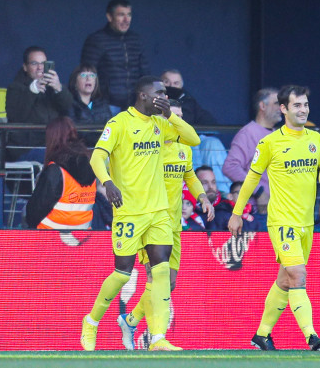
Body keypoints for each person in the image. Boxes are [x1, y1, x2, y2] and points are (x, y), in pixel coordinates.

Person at [228, 85, 320, 352]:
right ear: (283, 109)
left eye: (305, 105)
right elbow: (251, 179)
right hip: (282, 222)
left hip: (306, 223)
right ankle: (312, 337)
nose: (303, 110)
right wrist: (237, 213)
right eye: (297, 106)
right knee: (299, 276)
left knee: (285, 279)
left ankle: (262, 335)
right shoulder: (269, 143)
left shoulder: (315, 139)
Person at [80, 76, 202, 352]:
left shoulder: (162, 123)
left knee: (160, 273)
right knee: (122, 274)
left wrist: (171, 115)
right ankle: (91, 320)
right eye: (159, 93)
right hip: (129, 211)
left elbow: (192, 139)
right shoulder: (120, 123)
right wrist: (107, 182)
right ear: (143, 96)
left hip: (159, 212)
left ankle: (157, 338)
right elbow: (97, 157)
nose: (164, 97)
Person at [116, 94, 215, 350]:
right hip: (151, 222)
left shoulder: (184, 149)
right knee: (155, 278)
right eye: (172, 117)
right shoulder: (151, 150)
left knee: (169, 283)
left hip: (174, 225)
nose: (177, 122)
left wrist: (202, 196)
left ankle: (130, 319)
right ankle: (157, 338)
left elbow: (190, 176)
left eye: (180, 118)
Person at [24, 117, 97, 230]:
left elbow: (35, 211)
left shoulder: (55, 169)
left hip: (52, 233)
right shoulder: (91, 164)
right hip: (83, 232)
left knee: (24, 212)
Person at [80, 0, 150, 111]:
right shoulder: (97, 40)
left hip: (135, 105)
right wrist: (98, 101)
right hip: (107, 106)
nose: (126, 20)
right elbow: (87, 73)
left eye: (129, 15)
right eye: (121, 15)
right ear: (109, 17)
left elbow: (145, 73)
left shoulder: (136, 40)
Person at [5, 46, 72, 162]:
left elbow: (68, 107)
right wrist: (33, 90)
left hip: (54, 145)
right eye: (34, 63)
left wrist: (58, 88)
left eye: (43, 63)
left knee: (77, 155)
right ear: (25, 67)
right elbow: (16, 116)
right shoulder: (15, 88)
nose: (40, 68)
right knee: (58, 157)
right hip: (26, 148)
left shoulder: (53, 87)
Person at [222, 88, 281, 210]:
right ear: (262, 106)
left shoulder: (277, 134)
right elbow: (230, 166)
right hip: (259, 212)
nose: (281, 108)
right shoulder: (248, 133)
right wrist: (258, 191)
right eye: (276, 103)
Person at [193, 165, 234, 231]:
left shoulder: (227, 207)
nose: (210, 187)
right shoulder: (186, 209)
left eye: (213, 182)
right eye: (204, 183)